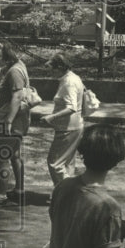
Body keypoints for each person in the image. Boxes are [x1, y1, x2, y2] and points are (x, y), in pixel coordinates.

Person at [0, 42, 31, 204]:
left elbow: (17, 96)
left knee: (2, 156)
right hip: (17, 120)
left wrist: (8, 121)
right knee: (14, 155)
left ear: (7, 56)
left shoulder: (14, 71)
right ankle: (19, 189)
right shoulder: (17, 66)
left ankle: (1, 193)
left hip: (12, 120)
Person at [40, 54, 85, 187]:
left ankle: (65, 192)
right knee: (67, 163)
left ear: (60, 67)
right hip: (75, 126)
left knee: (55, 162)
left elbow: (71, 107)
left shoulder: (68, 82)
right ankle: (69, 192)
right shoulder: (73, 77)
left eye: (52, 69)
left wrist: (51, 117)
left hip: (68, 128)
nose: (51, 72)